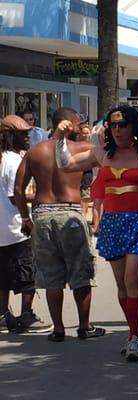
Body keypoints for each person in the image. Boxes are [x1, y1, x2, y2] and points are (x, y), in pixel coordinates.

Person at [50, 105, 138, 361]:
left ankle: (134, 336)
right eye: (113, 125)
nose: (118, 130)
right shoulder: (102, 154)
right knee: (122, 284)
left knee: (132, 280)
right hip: (112, 225)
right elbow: (65, 164)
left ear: (133, 126)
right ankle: (136, 331)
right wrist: (59, 138)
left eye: (122, 125)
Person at [14, 108, 105, 343]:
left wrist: (25, 218)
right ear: (68, 124)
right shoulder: (81, 149)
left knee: (52, 276)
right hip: (71, 213)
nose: (80, 127)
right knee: (80, 272)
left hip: (42, 214)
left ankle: (58, 329)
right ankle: (84, 326)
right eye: (78, 123)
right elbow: (107, 155)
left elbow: (18, 190)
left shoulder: (35, 151)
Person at [0, 115, 52, 333]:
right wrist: (27, 216)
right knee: (28, 272)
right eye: (23, 134)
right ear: (11, 137)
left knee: (2, 276)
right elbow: (16, 195)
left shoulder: (4, 159)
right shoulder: (14, 161)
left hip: (2, 230)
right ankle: (26, 316)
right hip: (15, 228)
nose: (28, 137)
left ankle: (3, 316)